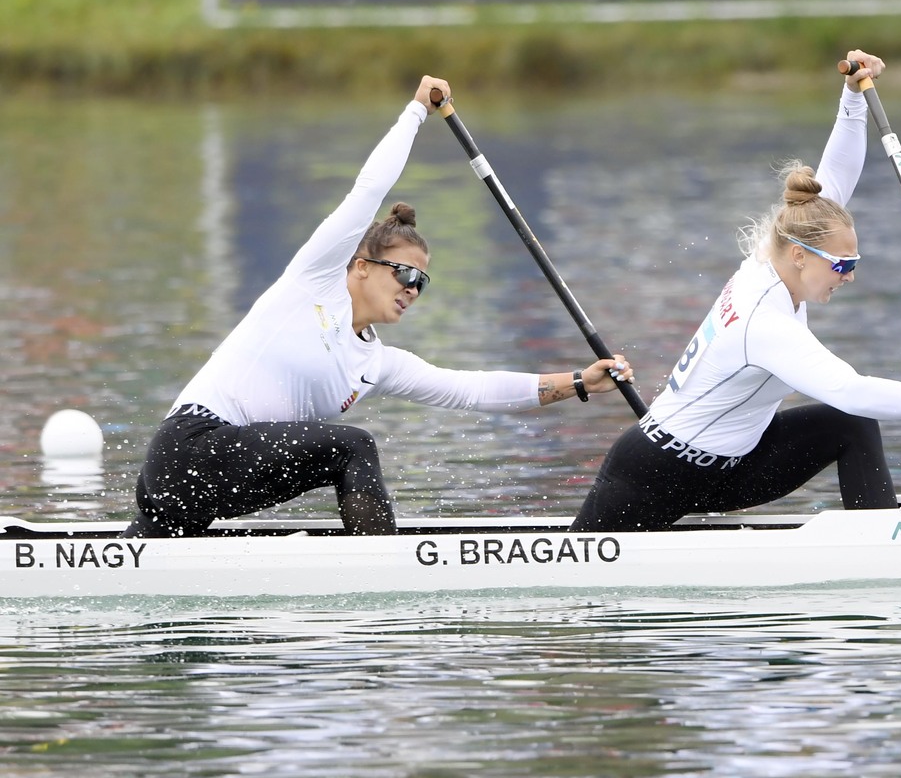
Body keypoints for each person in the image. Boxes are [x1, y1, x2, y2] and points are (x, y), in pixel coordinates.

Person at [124, 75, 635, 538]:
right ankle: (385, 568)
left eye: (423, 283)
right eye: (406, 273)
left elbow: (472, 390)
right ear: (361, 265)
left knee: (341, 454)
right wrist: (415, 112)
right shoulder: (313, 280)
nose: (413, 289)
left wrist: (577, 383)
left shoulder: (377, 362)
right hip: (187, 450)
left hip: (198, 492)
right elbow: (369, 189)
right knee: (354, 447)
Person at [570, 50, 901, 532]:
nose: (850, 275)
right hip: (657, 473)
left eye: (854, 263)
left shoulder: (779, 249)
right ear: (802, 256)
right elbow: (851, 389)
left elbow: (833, 180)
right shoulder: (766, 321)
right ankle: (890, 550)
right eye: (843, 265)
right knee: (573, 590)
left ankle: (885, 543)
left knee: (849, 426)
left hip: (730, 466)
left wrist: (853, 98)